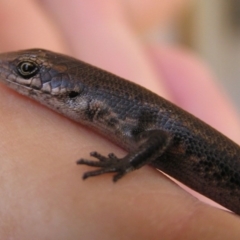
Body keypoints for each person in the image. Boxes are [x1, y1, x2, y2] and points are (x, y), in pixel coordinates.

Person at [0, 1, 240, 239]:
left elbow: (161, 138)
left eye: (27, 69)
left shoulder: (132, 115)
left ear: (71, 90)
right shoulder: (120, 110)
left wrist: (126, 164)